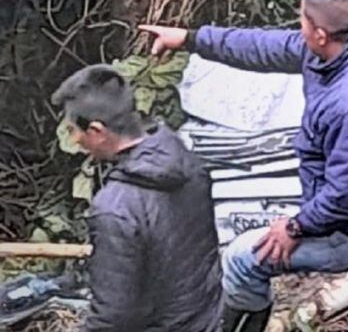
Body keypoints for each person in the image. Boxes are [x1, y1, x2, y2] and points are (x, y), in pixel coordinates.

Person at [140, 0, 348, 332]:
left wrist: (295, 226)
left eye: (302, 17)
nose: (297, 20)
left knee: (244, 259)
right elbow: (264, 47)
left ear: (320, 33)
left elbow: (347, 196)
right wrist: (190, 39)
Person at [51, 64, 222, 332]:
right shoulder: (186, 160)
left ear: (96, 130)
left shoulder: (115, 208)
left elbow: (114, 318)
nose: (74, 140)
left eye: (74, 131)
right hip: (208, 321)